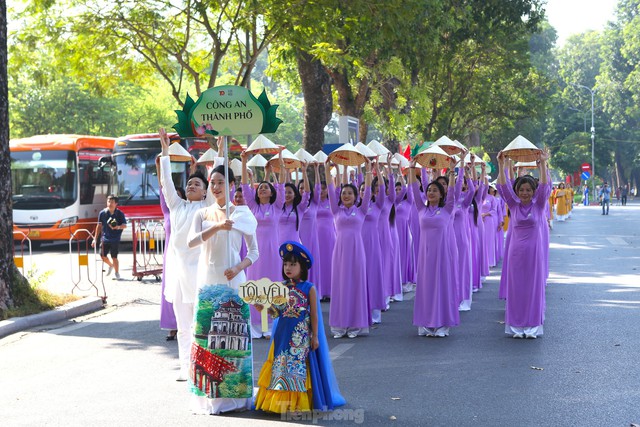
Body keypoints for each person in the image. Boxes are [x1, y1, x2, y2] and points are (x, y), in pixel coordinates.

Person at [186, 160, 259, 415]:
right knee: (207, 339)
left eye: (220, 183)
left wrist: (239, 267)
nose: (216, 187)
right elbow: (192, 241)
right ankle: (209, 397)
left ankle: (235, 398)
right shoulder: (202, 214)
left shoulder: (241, 214)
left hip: (232, 282)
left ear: (231, 185)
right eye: (213, 183)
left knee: (234, 341)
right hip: (207, 282)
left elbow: (254, 251)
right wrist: (217, 226)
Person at [254, 241, 345, 414]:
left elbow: (314, 314)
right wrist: (264, 308)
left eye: (293, 264)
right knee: (280, 365)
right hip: (282, 335)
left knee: (297, 367)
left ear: (302, 267)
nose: (288, 268)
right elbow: (276, 312)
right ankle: (279, 401)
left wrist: (315, 336)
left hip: (300, 337)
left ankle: (296, 403)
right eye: (286, 264)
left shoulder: (309, 288)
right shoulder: (280, 287)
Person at [158, 128, 211, 381]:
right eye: (189, 183)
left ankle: (203, 364)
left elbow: (216, 184)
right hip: (178, 274)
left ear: (204, 191)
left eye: (197, 184)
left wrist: (219, 155)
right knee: (182, 325)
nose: (191, 185)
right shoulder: (177, 206)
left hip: (199, 272)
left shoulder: (206, 207)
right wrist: (165, 152)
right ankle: (185, 366)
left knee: (200, 323)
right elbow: (167, 183)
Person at [496, 149, 551, 339]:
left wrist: (543, 164)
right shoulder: (514, 205)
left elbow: (544, 185)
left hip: (534, 253)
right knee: (516, 288)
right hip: (516, 253)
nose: (525, 193)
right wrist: (502, 164)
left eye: (528, 190)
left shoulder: (539, 204)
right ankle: (517, 325)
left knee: (533, 288)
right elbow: (503, 187)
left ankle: (532, 325)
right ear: (517, 192)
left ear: (533, 192)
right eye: (521, 190)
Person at [409, 157, 461, 337]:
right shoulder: (421, 209)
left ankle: (442, 324)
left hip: (442, 255)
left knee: (442, 286)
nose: (431, 192)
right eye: (429, 190)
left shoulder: (447, 209)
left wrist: (453, 171)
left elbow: (453, 191)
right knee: (426, 288)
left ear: (441, 194)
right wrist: (412, 168)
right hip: (425, 256)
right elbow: (415, 189)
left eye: (435, 190)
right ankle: (426, 323)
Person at [325, 157, 372, 339]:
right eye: (343, 193)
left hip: (357, 252)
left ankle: (354, 325)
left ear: (355, 197)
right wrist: (326, 170)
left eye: (349, 194)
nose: (346, 196)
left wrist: (368, 170)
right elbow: (330, 191)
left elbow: (367, 191)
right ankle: (339, 325)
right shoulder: (336, 210)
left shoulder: (361, 210)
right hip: (339, 253)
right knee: (340, 287)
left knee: (355, 286)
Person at [93, 194, 127, 280]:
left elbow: (124, 225)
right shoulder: (103, 213)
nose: (110, 204)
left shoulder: (120, 213)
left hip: (115, 238)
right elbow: (99, 226)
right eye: (108, 201)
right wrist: (95, 239)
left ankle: (116, 272)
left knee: (114, 257)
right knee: (102, 255)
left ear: (116, 204)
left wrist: (117, 227)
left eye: (112, 202)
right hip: (105, 238)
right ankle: (110, 265)